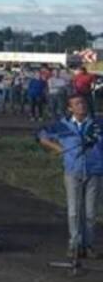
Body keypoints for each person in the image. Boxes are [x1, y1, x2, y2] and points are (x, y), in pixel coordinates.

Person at [38, 94, 102, 261]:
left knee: (90, 212)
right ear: (70, 108)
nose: (81, 106)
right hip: (73, 171)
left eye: (83, 102)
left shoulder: (97, 124)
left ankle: (88, 245)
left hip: (94, 171)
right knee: (74, 211)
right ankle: (74, 243)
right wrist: (56, 147)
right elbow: (41, 135)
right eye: (77, 104)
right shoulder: (62, 126)